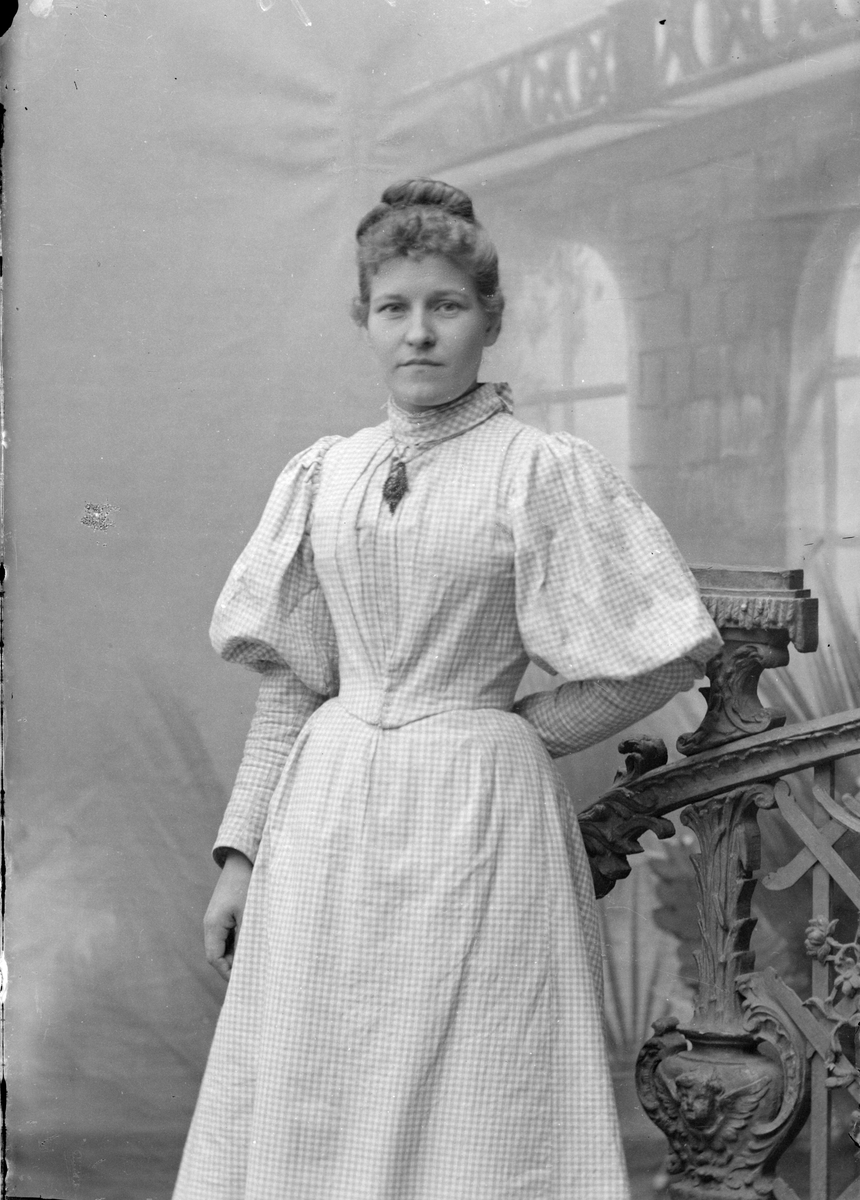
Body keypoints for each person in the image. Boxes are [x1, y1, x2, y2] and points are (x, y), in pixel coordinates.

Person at [172, 179, 721, 1200]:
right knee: (322, 1070)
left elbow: (664, 653)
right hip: (326, 818)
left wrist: (514, 731)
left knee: (481, 1081)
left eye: (446, 306)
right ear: (365, 318)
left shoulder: (537, 470)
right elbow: (292, 687)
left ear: (490, 320)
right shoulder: (325, 475)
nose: (418, 332)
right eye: (394, 307)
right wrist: (240, 857)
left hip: (479, 816)